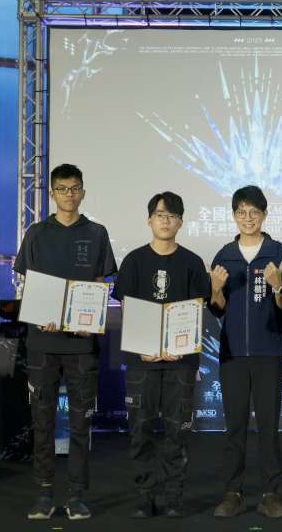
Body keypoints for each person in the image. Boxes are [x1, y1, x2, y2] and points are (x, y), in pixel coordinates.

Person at [13, 163, 117, 520]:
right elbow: (27, 284)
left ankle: (76, 496)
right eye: (62, 189)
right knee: (42, 421)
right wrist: (37, 313)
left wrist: (92, 319)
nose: (68, 195)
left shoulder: (97, 233)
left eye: (74, 188)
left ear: (83, 192)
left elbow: (102, 284)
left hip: (81, 345)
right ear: (52, 193)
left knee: (80, 424)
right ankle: (44, 494)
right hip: (41, 343)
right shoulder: (37, 233)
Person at [111, 192, 210, 518]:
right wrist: (143, 346)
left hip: (181, 363)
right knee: (140, 431)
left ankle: (173, 498)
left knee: (176, 432)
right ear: (149, 220)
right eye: (159, 215)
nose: (165, 221)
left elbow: (197, 311)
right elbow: (127, 307)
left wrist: (178, 347)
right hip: (142, 363)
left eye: (172, 216)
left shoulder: (192, 262)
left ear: (181, 222)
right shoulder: (134, 261)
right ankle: (145, 496)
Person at [209, 185, 282, 519]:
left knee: (269, 426)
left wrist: (278, 285)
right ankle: (232, 493)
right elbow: (217, 308)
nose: (248, 218)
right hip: (232, 354)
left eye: (254, 212)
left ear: (264, 215)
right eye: (242, 212)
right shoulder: (224, 256)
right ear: (234, 216)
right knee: (235, 426)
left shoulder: (278, 253)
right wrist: (216, 290)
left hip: (267, 351)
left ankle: (270, 494)